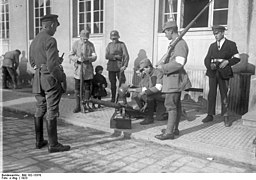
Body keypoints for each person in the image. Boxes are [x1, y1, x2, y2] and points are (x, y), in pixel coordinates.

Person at [29, 14, 70, 153]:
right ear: (51, 24)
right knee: (52, 110)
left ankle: (39, 141)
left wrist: (44, 66)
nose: (56, 30)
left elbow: (33, 62)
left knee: (40, 108)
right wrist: (61, 78)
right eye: (56, 26)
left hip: (37, 80)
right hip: (50, 81)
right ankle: (53, 145)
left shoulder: (34, 41)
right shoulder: (50, 40)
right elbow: (52, 66)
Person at [155, 21, 192, 140]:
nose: (165, 34)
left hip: (174, 80)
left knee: (170, 106)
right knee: (175, 105)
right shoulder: (175, 43)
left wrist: (163, 67)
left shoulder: (180, 44)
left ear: (171, 30)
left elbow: (179, 63)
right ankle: (173, 129)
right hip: (172, 79)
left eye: (166, 31)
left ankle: (169, 132)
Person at [202, 25, 240, 127]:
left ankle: (226, 116)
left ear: (223, 33)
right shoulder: (212, 46)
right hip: (213, 73)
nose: (215, 36)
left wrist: (228, 61)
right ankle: (210, 115)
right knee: (211, 94)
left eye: (217, 33)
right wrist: (210, 66)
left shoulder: (231, 44)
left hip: (224, 73)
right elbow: (206, 59)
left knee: (224, 95)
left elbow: (237, 58)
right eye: (214, 34)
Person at [69, 29, 97, 113]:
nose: (85, 40)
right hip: (78, 70)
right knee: (77, 89)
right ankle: (78, 106)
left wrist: (88, 59)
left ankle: (86, 105)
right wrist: (77, 59)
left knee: (87, 88)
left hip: (87, 70)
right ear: (80, 37)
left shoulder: (91, 45)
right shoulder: (76, 44)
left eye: (87, 39)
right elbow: (70, 55)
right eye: (84, 38)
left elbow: (95, 56)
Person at [132, 58, 167, 125]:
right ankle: (150, 112)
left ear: (149, 67)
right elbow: (145, 87)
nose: (143, 71)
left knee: (149, 95)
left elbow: (158, 88)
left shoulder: (158, 73)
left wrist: (144, 92)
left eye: (144, 69)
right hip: (157, 97)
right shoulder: (149, 74)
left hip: (163, 96)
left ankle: (150, 118)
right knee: (159, 118)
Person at [105, 30, 129, 103]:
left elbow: (126, 56)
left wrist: (125, 65)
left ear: (118, 37)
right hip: (111, 67)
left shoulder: (122, 44)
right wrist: (115, 57)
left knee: (122, 84)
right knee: (112, 84)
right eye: (112, 38)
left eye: (115, 38)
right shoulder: (109, 45)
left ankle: (123, 99)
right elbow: (106, 56)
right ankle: (113, 99)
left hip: (120, 67)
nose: (114, 39)